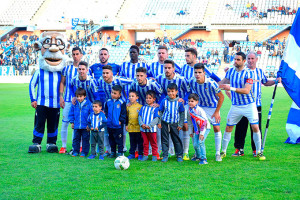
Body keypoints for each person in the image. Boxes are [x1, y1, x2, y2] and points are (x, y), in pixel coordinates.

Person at [219, 52, 266, 161]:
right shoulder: (230, 71)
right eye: (234, 59)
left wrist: (230, 88)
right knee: (228, 127)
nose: (235, 61)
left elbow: (246, 90)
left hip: (249, 105)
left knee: (255, 127)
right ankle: (223, 151)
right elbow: (222, 83)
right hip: (236, 106)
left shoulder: (249, 73)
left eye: (238, 60)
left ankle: (259, 152)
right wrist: (212, 84)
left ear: (244, 61)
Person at [232, 52, 279, 156]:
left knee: (256, 127)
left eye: (252, 58)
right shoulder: (242, 71)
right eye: (248, 58)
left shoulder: (259, 72)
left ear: (256, 59)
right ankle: (239, 148)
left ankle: (255, 150)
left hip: (256, 104)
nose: (250, 60)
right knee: (240, 127)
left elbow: (265, 82)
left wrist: (276, 81)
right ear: (245, 60)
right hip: (243, 104)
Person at [189, 63, 224, 161]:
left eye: (200, 72)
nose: (197, 74)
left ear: (204, 73)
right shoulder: (192, 82)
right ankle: (197, 153)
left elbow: (221, 97)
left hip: (212, 107)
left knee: (216, 128)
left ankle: (217, 153)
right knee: (196, 128)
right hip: (200, 107)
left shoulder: (211, 83)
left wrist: (217, 112)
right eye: (195, 72)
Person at [156, 59, 190, 160]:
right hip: (166, 112)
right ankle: (167, 153)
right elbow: (161, 93)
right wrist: (162, 102)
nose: (167, 70)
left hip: (179, 107)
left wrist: (183, 100)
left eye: (169, 68)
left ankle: (184, 153)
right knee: (165, 137)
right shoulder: (160, 78)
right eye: (165, 68)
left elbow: (188, 91)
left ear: (174, 69)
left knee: (182, 129)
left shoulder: (181, 79)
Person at [59, 47, 83, 154]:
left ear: (81, 55)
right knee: (65, 123)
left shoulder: (86, 69)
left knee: (78, 124)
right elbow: (62, 83)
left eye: (77, 54)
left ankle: (78, 146)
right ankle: (63, 146)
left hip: (80, 101)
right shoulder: (67, 69)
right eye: (73, 54)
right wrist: (60, 96)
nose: (75, 56)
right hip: (68, 100)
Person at [159, 83, 185, 162]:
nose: (171, 93)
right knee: (164, 140)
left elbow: (182, 114)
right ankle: (165, 155)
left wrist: (180, 124)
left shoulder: (179, 102)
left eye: (173, 91)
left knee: (176, 140)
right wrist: (160, 122)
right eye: (169, 91)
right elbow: (160, 112)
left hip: (175, 124)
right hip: (165, 123)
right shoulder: (164, 101)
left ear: (176, 91)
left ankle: (179, 155)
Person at [68, 88, 93, 157]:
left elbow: (91, 115)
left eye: (80, 96)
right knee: (76, 139)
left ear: (85, 96)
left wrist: (89, 124)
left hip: (85, 127)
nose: (79, 98)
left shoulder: (89, 104)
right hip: (76, 126)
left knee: (85, 139)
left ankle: (84, 152)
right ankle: (76, 151)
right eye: (77, 96)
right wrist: (72, 122)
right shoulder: (74, 104)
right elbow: (71, 113)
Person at [187, 93, 210, 165]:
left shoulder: (200, 110)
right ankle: (198, 156)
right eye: (189, 101)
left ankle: (204, 158)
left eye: (192, 101)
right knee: (195, 145)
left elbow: (204, 122)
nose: (190, 103)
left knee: (201, 142)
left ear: (197, 102)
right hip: (197, 129)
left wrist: (202, 134)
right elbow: (190, 122)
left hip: (205, 128)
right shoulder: (189, 111)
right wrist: (190, 131)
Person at [104, 85, 127, 157]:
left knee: (119, 139)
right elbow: (106, 111)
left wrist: (120, 120)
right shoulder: (108, 102)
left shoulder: (121, 102)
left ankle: (120, 152)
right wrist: (107, 118)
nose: (113, 94)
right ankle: (113, 152)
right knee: (111, 139)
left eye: (115, 93)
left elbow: (124, 113)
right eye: (112, 92)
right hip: (109, 124)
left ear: (119, 94)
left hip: (118, 125)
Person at [138, 90, 160, 161]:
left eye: (150, 98)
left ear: (154, 99)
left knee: (153, 143)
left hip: (152, 129)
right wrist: (141, 124)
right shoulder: (143, 107)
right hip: (143, 129)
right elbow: (139, 116)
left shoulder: (155, 108)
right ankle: (145, 155)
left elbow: (156, 118)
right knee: (145, 143)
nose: (148, 99)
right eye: (147, 98)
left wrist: (150, 125)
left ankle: (154, 155)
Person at [126, 91, 143, 160]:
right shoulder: (128, 106)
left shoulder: (140, 107)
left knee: (140, 141)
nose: (131, 97)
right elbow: (127, 116)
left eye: (133, 96)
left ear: (137, 97)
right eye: (130, 96)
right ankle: (132, 153)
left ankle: (140, 154)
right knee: (132, 141)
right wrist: (126, 125)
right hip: (131, 127)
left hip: (138, 127)